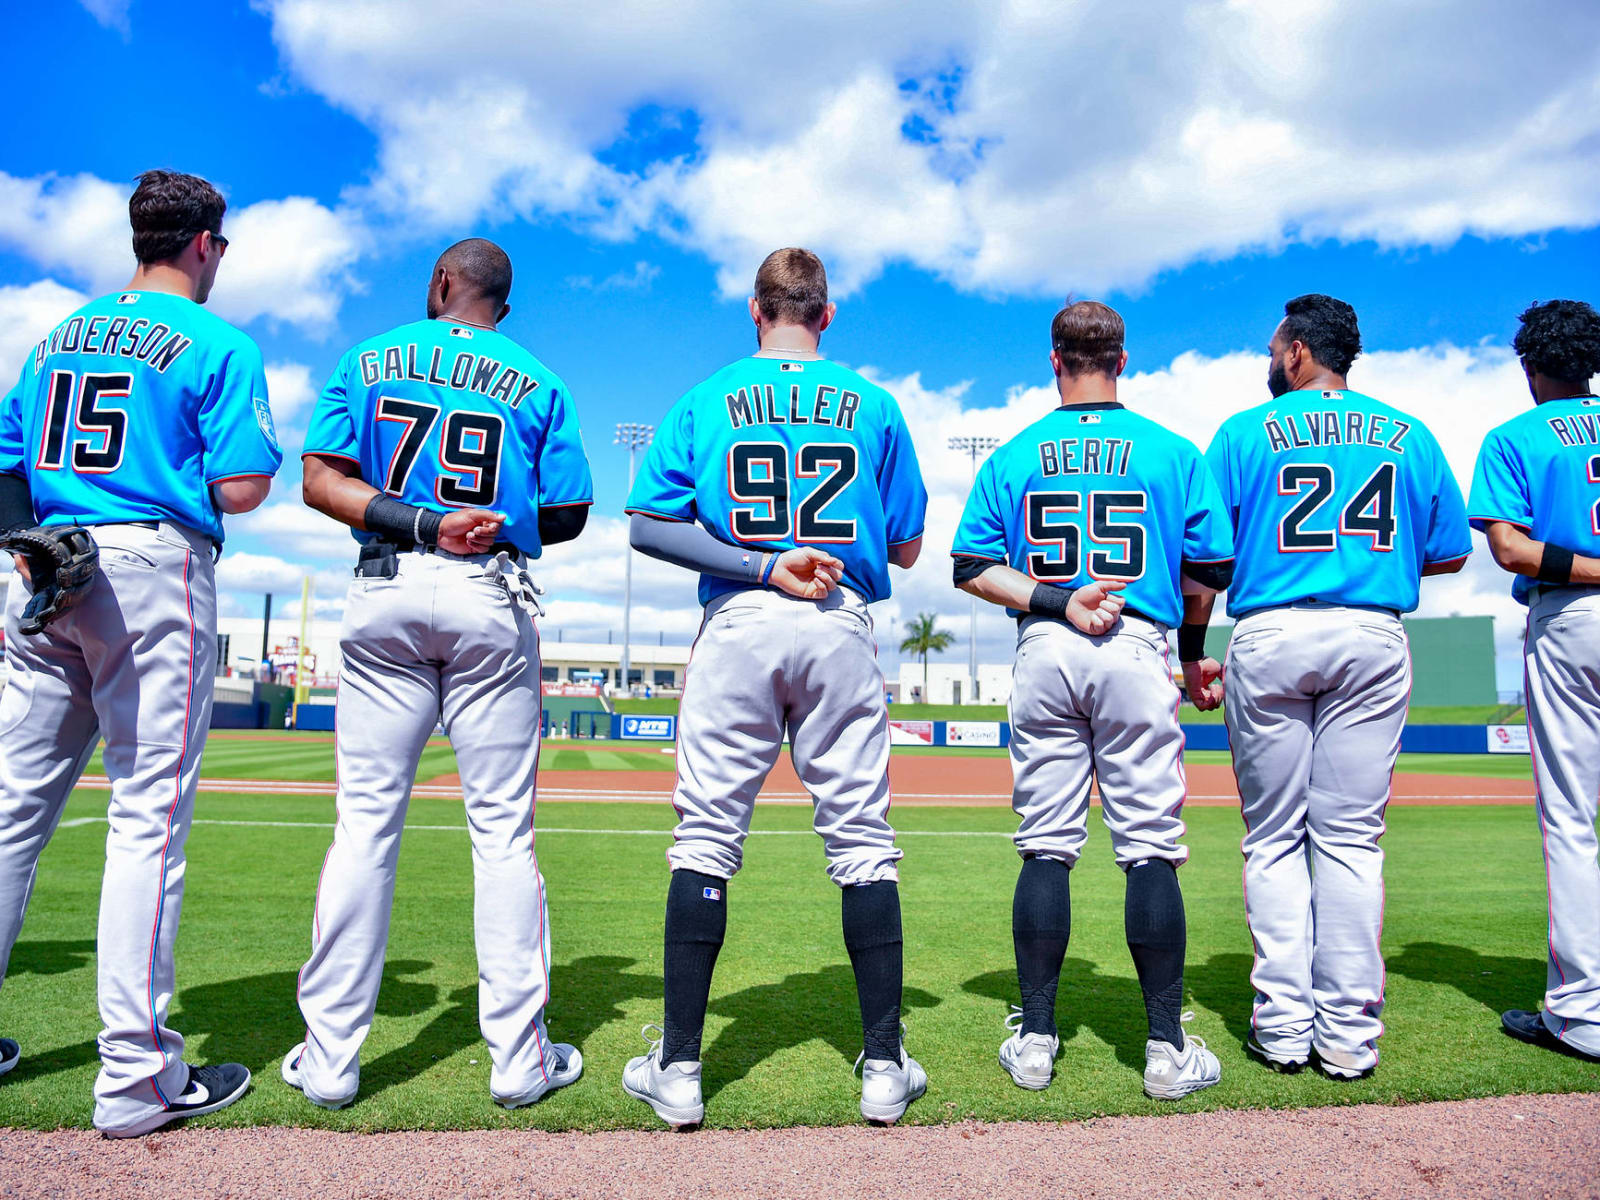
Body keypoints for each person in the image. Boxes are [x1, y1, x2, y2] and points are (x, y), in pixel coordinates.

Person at [0, 170, 280, 1136]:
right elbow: (242, 487)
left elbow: (4, 461)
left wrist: (24, 548)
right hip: (146, 567)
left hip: (40, 564)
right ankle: (136, 1077)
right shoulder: (218, 341)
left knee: (6, 816)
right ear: (206, 243)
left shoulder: (55, 334)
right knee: (145, 820)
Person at [620, 247, 929, 1126]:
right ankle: (880, 1069)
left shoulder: (707, 395)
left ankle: (679, 1071)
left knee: (707, 839)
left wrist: (761, 560)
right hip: (839, 615)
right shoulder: (873, 403)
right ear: (826, 315)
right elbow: (905, 547)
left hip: (742, 614)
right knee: (863, 840)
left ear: (755, 310)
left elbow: (647, 525)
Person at [284, 238, 592, 1110]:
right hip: (488, 593)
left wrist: (418, 520)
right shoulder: (538, 376)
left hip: (387, 582)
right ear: (504, 302)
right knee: (502, 834)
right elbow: (566, 514)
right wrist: (484, 521)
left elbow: (318, 481)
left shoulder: (370, 356)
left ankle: (332, 1060)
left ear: (441, 284)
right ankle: (519, 1060)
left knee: (364, 829)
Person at [952, 299, 1233, 1100]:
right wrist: (1189, 655)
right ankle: (1165, 1050)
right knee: (1149, 844)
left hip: (1047, 643)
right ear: (1123, 359)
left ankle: (1037, 1040)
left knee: (1046, 844)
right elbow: (1209, 570)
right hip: (1137, 642)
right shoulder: (1172, 451)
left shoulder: (1014, 452)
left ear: (1054, 360)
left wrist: (1051, 600)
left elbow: (971, 566)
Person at [1207, 294, 1471, 1079]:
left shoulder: (1241, 431)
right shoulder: (1409, 432)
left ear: (1297, 353)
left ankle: (1283, 1029)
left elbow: (1207, 555)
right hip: (1372, 628)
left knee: (1275, 837)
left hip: (1272, 628)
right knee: (1352, 841)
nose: (1270, 355)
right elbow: (1452, 553)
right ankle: (1349, 1040)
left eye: (1274, 344)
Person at [1467, 298, 1600, 1058]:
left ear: (1530, 368)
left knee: (1573, 820)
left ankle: (1582, 1013)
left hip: (1573, 617)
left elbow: (1512, 551)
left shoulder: (1515, 436)